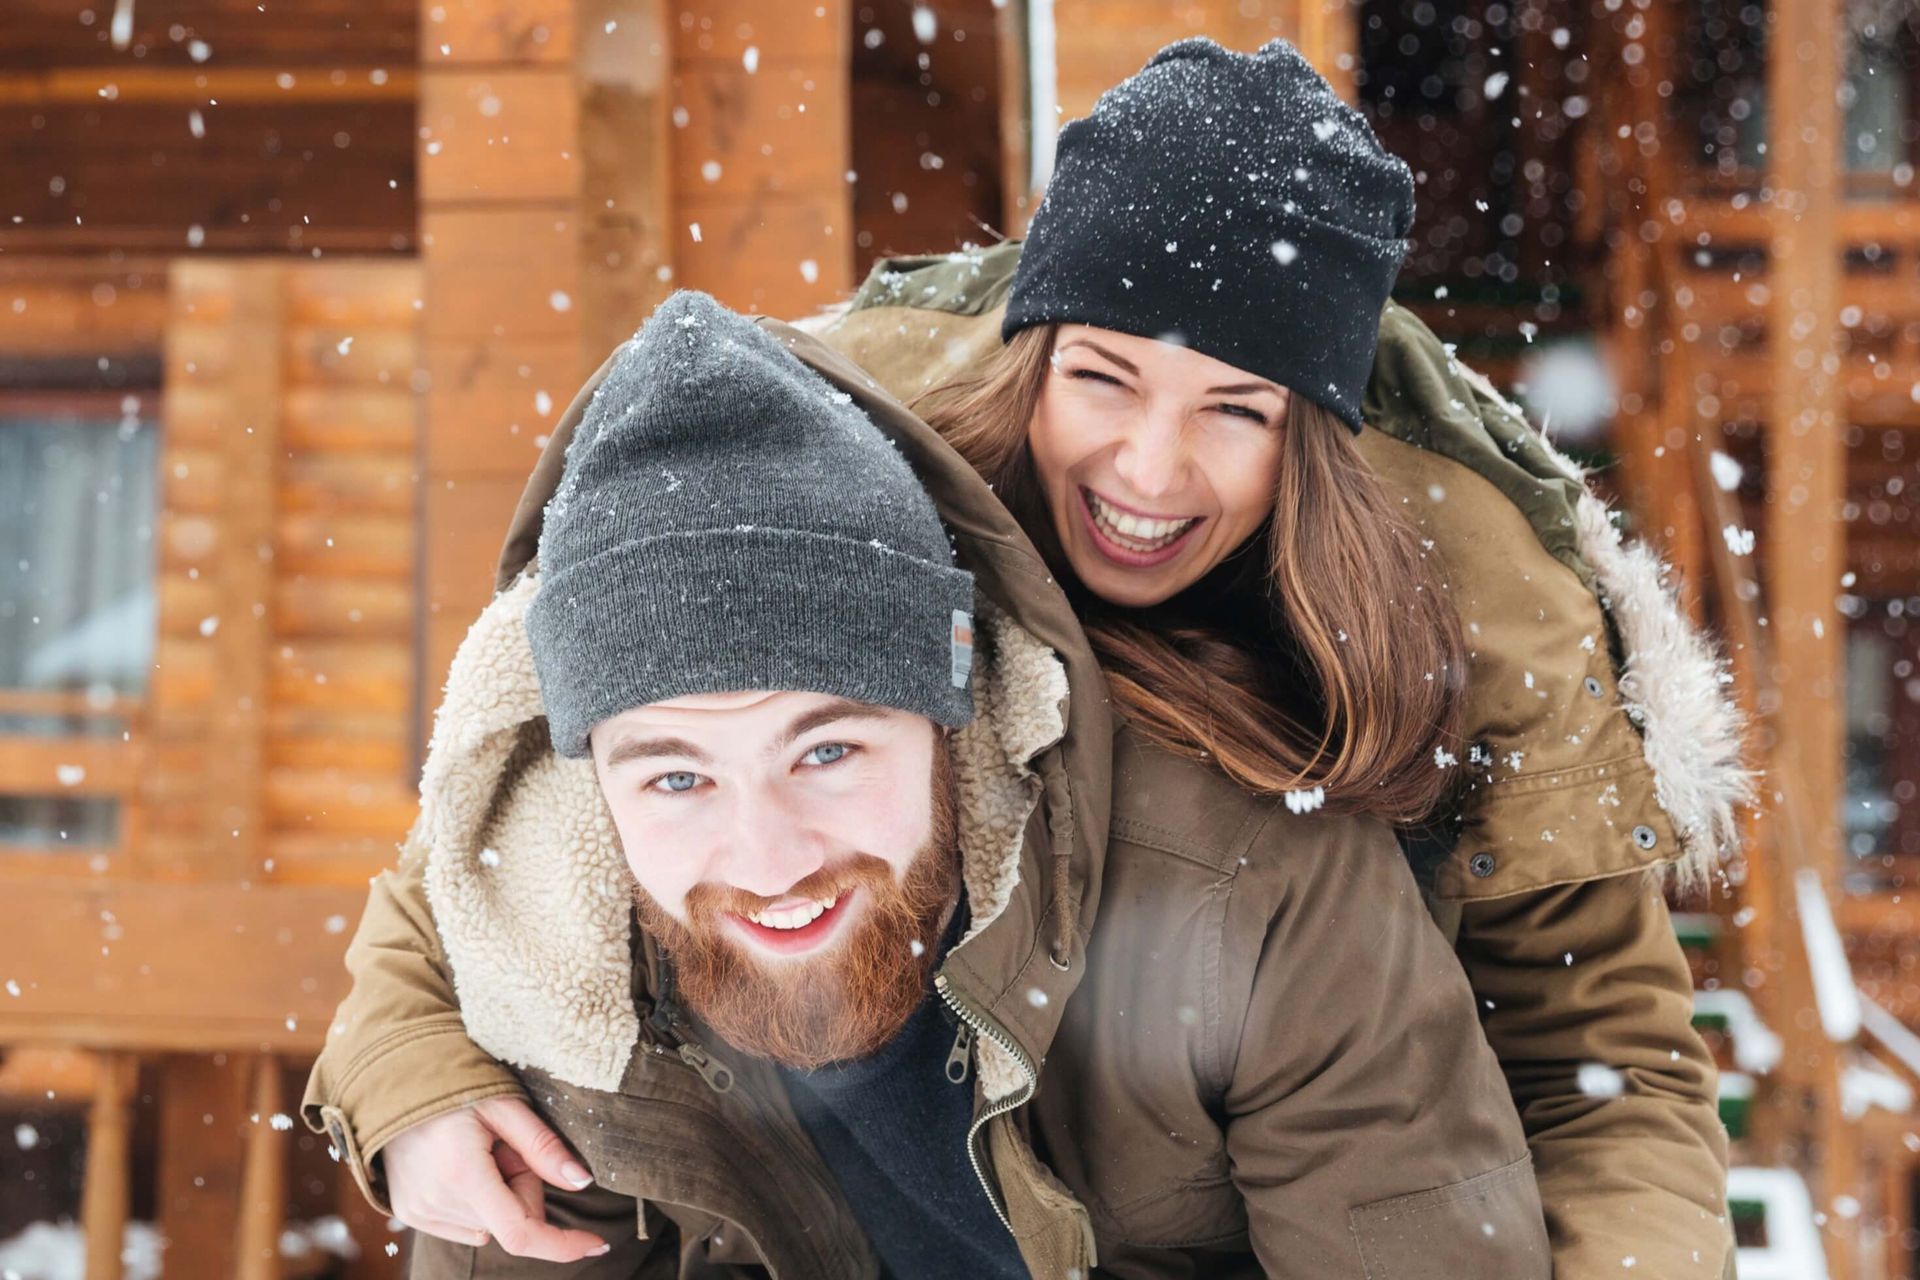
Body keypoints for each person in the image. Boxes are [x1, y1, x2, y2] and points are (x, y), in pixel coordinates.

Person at [306, 38, 1745, 1277]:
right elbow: (513, 827)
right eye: (1103, 376)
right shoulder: (875, 498)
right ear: (1033, 355)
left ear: (1310, 435)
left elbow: (1597, 1064)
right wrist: (407, 1070)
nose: (1149, 464)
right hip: (952, 1084)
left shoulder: (1472, 634)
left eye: (1233, 408)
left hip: (1303, 1131)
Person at [363, 287, 1548, 1278]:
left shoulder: (1255, 888)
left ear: (952, 712)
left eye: (828, 751)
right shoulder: (551, 978)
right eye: (675, 776)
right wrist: (402, 1071)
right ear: (593, 794)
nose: (768, 858)